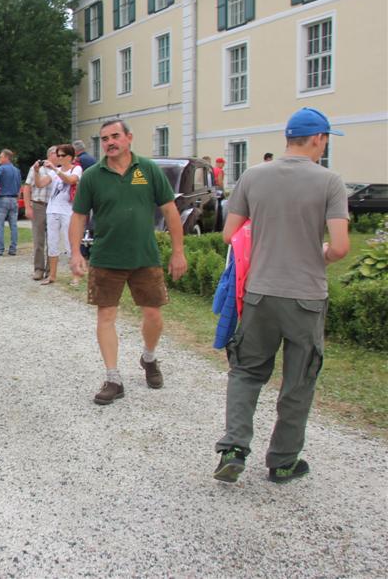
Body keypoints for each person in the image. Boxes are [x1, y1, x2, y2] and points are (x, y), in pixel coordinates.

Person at [213, 107, 349, 484]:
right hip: (305, 296)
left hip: (259, 293)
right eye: (324, 140)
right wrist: (316, 251)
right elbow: (339, 247)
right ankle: (283, 461)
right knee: (298, 379)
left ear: (288, 139)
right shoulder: (330, 181)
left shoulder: (253, 176)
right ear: (319, 138)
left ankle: (234, 448)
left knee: (247, 371)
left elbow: (229, 234)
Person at [68, 120, 188, 405]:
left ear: (129, 138)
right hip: (106, 257)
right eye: (105, 138)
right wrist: (74, 253)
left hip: (144, 256)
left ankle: (148, 357)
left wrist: (178, 251)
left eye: (115, 136)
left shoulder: (148, 170)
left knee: (153, 315)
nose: (110, 142)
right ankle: (113, 378)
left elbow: (170, 211)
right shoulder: (93, 176)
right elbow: (79, 216)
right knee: (106, 317)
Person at [43, 143, 83, 284]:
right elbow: (41, 183)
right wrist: (36, 171)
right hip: (52, 210)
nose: (59, 158)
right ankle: (52, 275)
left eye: (62, 155)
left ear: (70, 157)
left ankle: (75, 276)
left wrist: (54, 169)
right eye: (58, 155)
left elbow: (71, 180)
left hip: (68, 210)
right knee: (52, 243)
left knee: (69, 243)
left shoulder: (76, 169)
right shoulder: (55, 171)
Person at [23, 146, 55, 280]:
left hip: (53, 206)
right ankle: (38, 269)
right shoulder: (36, 168)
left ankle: (50, 270)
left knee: (53, 240)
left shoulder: (58, 170)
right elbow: (27, 187)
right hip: (39, 205)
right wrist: (27, 207)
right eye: (55, 154)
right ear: (49, 155)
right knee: (39, 240)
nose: (58, 156)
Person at [0, 149, 21, 256]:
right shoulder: (16, 170)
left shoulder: (2, 168)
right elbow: (19, 187)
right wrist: (17, 199)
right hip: (14, 199)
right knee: (14, 226)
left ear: (6, 158)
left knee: (0, 225)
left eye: (0, 156)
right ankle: (13, 249)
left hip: (3, 198)